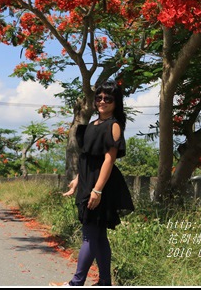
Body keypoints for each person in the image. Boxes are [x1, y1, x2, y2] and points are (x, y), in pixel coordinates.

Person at [53, 80, 134, 287]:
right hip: (88, 182)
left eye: (108, 98)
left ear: (116, 102)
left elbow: (108, 159)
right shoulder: (90, 126)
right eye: (99, 97)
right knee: (98, 236)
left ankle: (76, 283)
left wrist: (97, 190)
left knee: (89, 236)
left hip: (101, 184)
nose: (102, 101)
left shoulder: (114, 126)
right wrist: (77, 181)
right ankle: (105, 282)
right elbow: (87, 158)